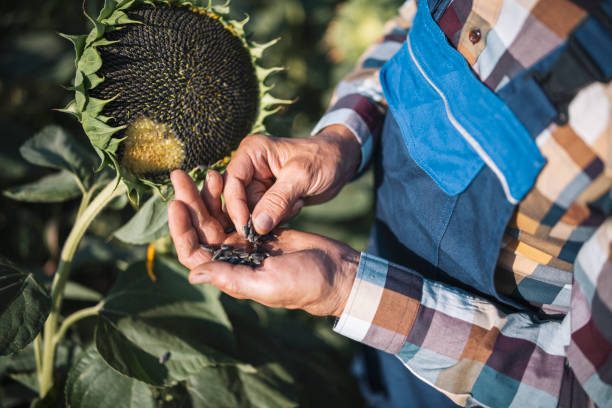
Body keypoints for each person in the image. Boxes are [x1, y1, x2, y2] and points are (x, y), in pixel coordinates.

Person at [168, 0, 611, 406]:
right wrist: (340, 139)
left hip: (481, 380)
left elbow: (582, 388)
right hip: (374, 298)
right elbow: (415, 23)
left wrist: (346, 289)